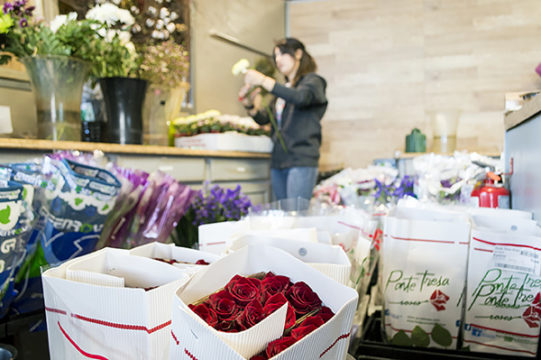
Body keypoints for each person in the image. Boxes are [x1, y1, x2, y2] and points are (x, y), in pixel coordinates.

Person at [239, 37, 327, 201]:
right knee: (283, 218)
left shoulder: (313, 82)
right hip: (278, 161)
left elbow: (300, 98)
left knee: (296, 216)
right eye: (276, 56)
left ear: (298, 53)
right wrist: (250, 105)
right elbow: (266, 119)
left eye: (282, 54)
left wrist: (264, 80)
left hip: (301, 159)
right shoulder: (282, 89)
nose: (278, 60)